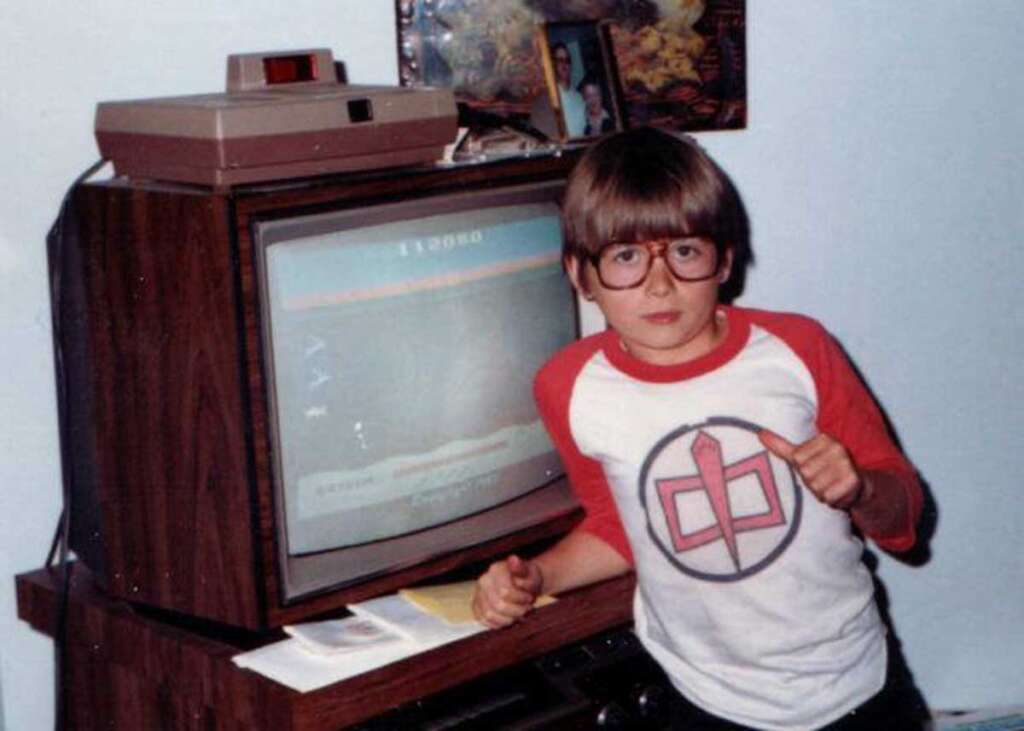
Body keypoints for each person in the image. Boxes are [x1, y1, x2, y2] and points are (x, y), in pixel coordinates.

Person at [473, 128, 926, 730]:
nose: (660, 285)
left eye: (685, 251)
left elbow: (904, 518)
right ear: (581, 274)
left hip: (851, 678)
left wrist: (861, 489)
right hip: (703, 693)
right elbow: (621, 526)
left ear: (725, 259)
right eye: (626, 257)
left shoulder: (797, 349)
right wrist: (537, 576)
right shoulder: (569, 387)